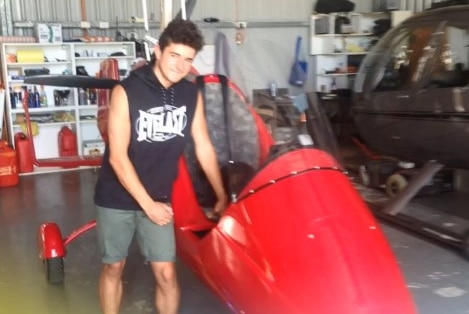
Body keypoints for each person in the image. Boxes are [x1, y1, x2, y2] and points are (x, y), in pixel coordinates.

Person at [94, 19, 228, 314]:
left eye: (188, 60)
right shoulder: (126, 91)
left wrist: (220, 194)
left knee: (167, 274)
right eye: (174, 55)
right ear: (158, 51)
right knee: (114, 267)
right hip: (117, 197)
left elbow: (203, 145)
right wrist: (147, 205)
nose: (180, 66)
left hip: (159, 198)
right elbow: (117, 157)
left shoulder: (190, 94)